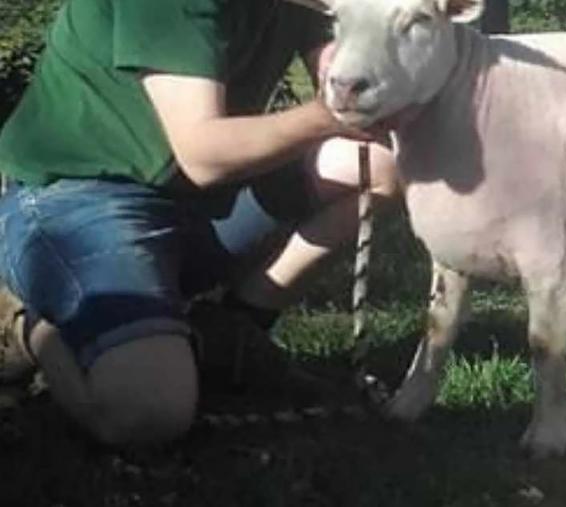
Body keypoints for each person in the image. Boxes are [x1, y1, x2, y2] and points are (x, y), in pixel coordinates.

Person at [0, 0, 398, 446]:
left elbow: (338, 62)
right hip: (79, 194)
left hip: (198, 198)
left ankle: (234, 325)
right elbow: (203, 154)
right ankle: (28, 323)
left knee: (380, 163)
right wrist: (332, 114)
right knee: (147, 412)